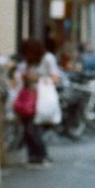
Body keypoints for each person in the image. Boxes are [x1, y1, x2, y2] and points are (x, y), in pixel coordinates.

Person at [13, 37, 60, 167]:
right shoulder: (28, 61)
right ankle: (32, 155)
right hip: (27, 95)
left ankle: (41, 155)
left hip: (39, 97)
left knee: (32, 127)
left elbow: (55, 77)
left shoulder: (47, 58)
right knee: (27, 126)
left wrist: (36, 78)